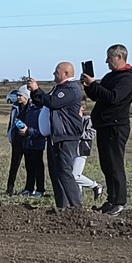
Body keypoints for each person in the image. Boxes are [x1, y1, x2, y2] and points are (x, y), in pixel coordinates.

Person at [81, 45, 132, 215]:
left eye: (109, 58)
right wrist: (89, 86)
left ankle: (120, 201)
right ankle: (111, 200)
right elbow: (98, 96)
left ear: (119, 57)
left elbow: (113, 98)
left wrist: (95, 85)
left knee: (115, 165)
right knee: (106, 165)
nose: (106, 61)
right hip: (104, 126)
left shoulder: (127, 79)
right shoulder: (110, 76)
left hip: (116, 127)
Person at [26, 62, 87, 211]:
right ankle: (62, 206)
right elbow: (43, 101)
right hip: (55, 137)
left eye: (56, 71)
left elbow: (52, 102)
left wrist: (37, 89)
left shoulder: (70, 89)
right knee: (55, 173)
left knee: (65, 172)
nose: (53, 74)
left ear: (66, 73)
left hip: (65, 137)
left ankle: (75, 207)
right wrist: (35, 93)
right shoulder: (58, 88)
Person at [5, 85, 46, 196]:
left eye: (20, 95)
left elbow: (40, 127)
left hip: (34, 140)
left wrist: (28, 131)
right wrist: (11, 135)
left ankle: (40, 189)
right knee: (26, 165)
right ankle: (27, 188)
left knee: (37, 166)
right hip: (22, 141)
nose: (18, 98)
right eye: (17, 95)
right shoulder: (16, 108)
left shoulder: (36, 109)